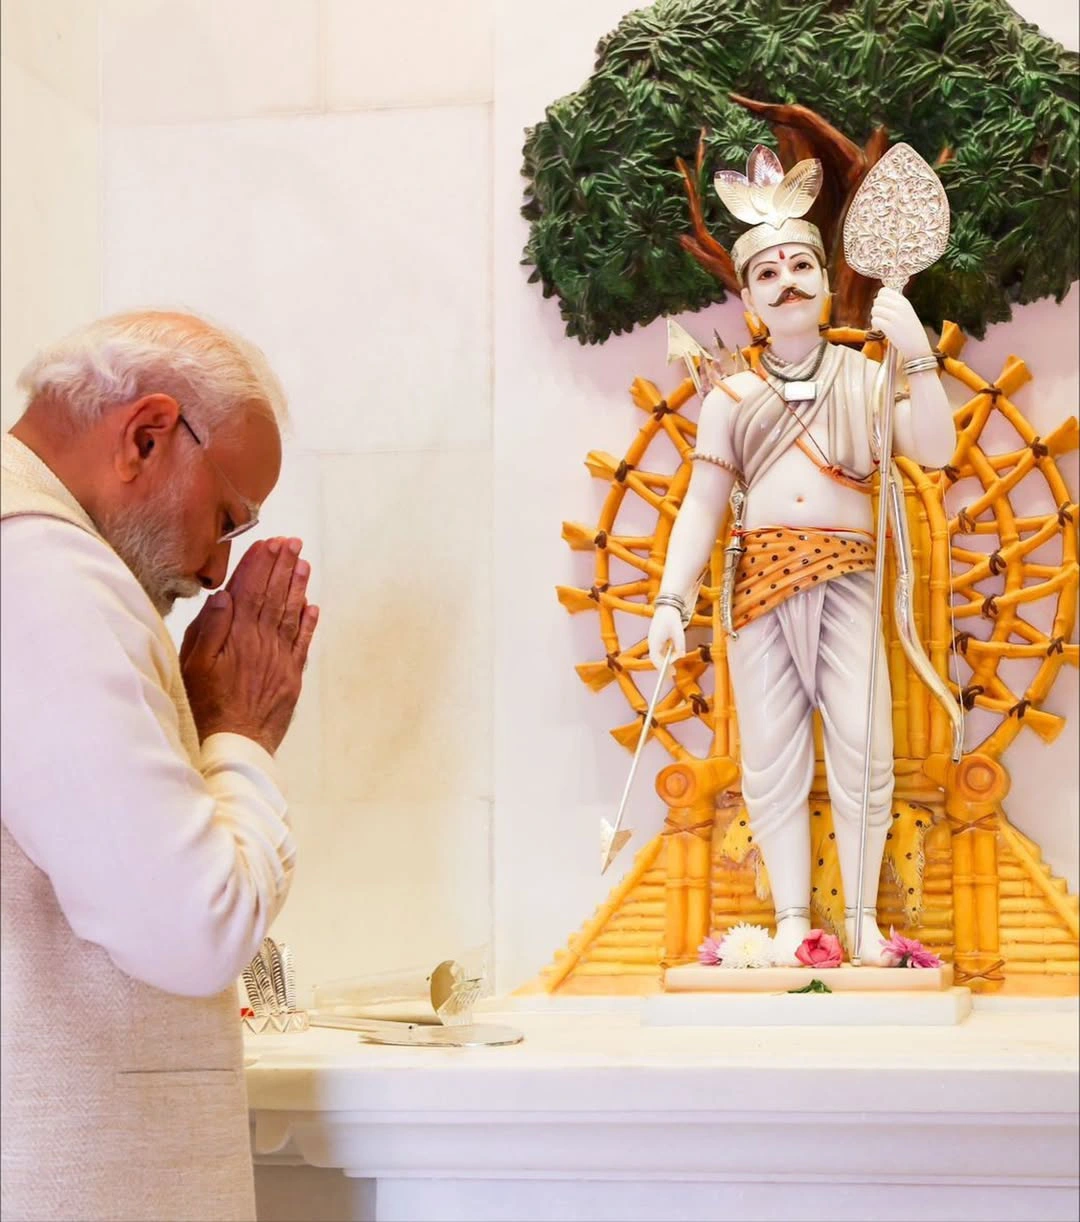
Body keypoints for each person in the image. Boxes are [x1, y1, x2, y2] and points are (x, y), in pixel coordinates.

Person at [1, 311, 318, 1221]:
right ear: (146, 435)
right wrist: (238, 733)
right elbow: (193, 929)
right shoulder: (45, 571)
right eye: (227, 517)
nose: (220, 568)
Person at [648, 149, 955, 966]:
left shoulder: (863, 377)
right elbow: (702, 505)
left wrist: (915, 351)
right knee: (772, 756)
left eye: (801, 266)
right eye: (768, 273)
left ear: (825, 281)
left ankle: (856, 919)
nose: (786, 282)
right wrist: (672, 602)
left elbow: (935, 445)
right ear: (747, 298)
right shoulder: (730, 398)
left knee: (863, 746)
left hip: (849, 577)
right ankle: (791, 921)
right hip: (758, 591)